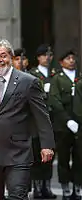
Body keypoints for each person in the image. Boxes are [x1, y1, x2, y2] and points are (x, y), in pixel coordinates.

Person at [0, 38, 55, 200]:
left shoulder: (28, 81)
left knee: (18, 196)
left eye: (3, 56)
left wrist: (47, 145)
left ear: (11, 57)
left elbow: (41, 115)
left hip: (18, 152)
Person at [48, 50, 82, 200]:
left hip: (79, 124)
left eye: (73, 58)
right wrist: (67, 120)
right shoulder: (57, 79)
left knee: (79, 157)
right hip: (63, 125)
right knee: (63, 158)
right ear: (61, 62)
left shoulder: (79, 77)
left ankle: (78, 186)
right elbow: (54, 101)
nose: (71, 60)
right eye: (68, 58)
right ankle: (65, 187)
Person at [29, 44, 57, 199]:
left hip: (52, 119)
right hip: (37, 121)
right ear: (38, 57)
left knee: (51, 152)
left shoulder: (55, 74)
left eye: (50, 55)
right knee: (36, 153)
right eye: (44, 55)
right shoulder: (33, 74)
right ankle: (37, 186)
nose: (47, 57)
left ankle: (47, 185)